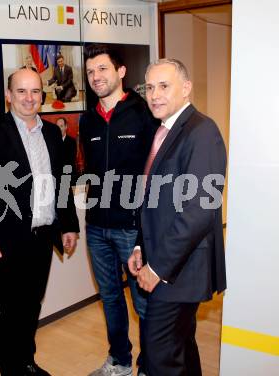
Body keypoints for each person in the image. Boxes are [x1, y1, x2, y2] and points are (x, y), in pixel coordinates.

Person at [128, 58, 227, 376]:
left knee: (160, 357)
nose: (154, 94)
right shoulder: (165, 131)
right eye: (150, 87)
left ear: (186, 89)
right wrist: (141, 248)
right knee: (180, 348)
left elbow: (198, 211)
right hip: (167, 262)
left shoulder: (201, 131)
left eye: (164, 86)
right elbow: (155, 201)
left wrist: (157, 268)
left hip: (180, 271)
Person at [0, 68, 79, 376]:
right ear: (8, 96)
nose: (29, 98)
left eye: (35, 91)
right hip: (9, 238)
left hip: (43, 236)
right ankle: (12, 370)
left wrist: (69, 225)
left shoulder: (52, 133)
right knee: (12, 312)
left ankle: (27, 362)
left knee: (32, 306)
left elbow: (62, 182)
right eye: (21, 91)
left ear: (43, 95)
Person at [80, 44, 158, 376]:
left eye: (102, 69)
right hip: (97, 227)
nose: (96, 77)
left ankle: (149, 366)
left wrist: (145, 230)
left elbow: (154, 175)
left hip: (132, 227)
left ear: (121, 71)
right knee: (110, 299)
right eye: (90, 71)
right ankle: (120, 360)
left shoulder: (144, 114)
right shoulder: (87, 120)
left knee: (143, 304)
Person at [56, 117, 77, 186]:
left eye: (61, 126)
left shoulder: (72, 141)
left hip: (70, 177)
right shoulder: (53, 142)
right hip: (57, 178)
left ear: (66, 127)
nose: (59, 129)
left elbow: (71, 160)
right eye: (57, 126)